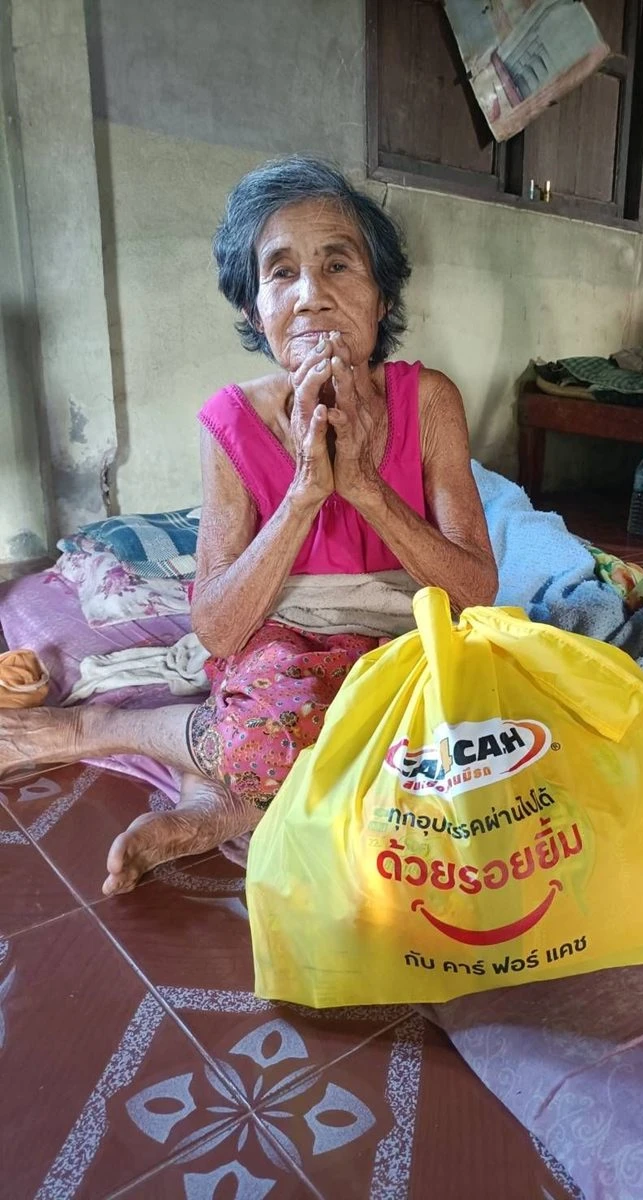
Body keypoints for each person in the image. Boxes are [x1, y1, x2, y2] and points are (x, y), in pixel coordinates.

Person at [0, 157, 498, 893]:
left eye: (339, 265)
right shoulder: (231, 421)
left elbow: (476, 591)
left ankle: (221, 805)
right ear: (252, 309)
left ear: (383, 296)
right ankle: (96, 727)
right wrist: (304, 494)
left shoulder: (428, 401)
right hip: (286, 640)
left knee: (482, 752)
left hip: (411, 640)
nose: (311, 295)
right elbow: (220, 628)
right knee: (269, 739)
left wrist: (365, 488)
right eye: (281, 272)